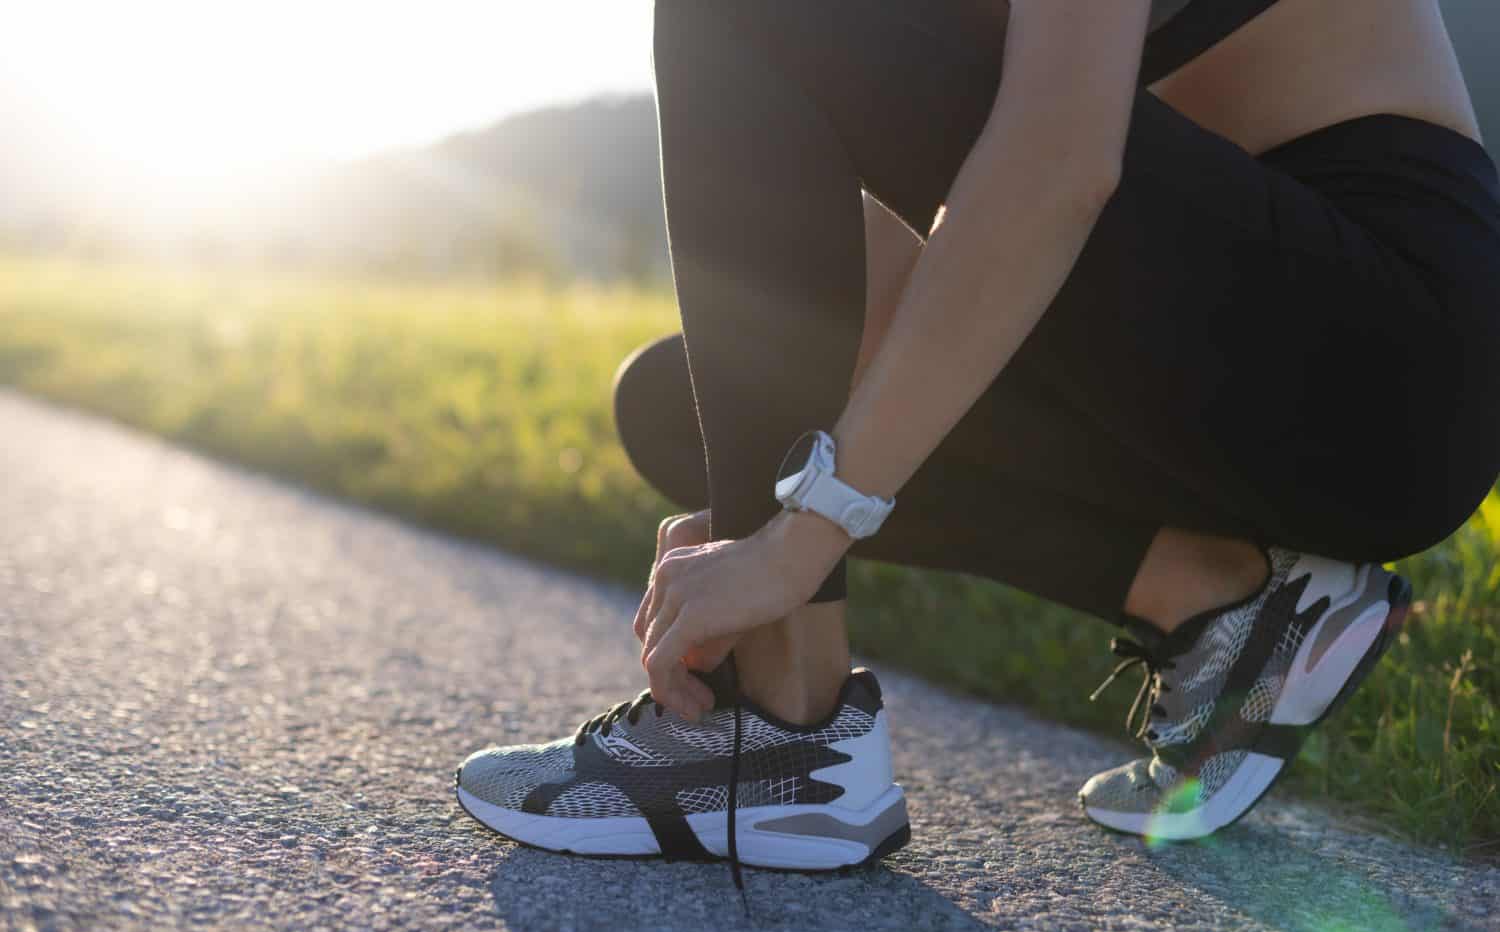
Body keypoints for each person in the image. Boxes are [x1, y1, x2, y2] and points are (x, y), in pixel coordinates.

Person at [456, 0, 1500, 880]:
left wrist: (794, 544)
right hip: (1229, 379)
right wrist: (761, 492)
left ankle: (778, 730)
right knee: (686, 405)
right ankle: (1217, 592)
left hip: (1387, 369)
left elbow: (1057, 167)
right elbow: (916, 258)